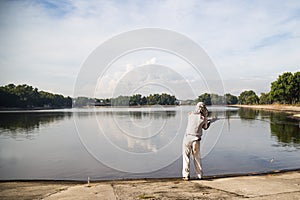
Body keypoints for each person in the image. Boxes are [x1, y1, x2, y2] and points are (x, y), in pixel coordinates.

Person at [182, 102, 210, 181]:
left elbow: (193, 120)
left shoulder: (190, 114)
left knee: (186, 157)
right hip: (196, 140)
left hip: (187, 138)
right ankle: (199, 175)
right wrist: (209, 122)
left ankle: (186, 175)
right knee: (196, 157)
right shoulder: (203, 118)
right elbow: (205, 127)